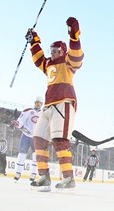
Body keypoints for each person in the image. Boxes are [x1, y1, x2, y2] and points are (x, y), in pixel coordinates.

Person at [25, 17, 84, 192]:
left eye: (56, 50)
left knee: (59, 140)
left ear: (63, 51)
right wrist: (33, 40)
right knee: (39, 139)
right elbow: (38, 59)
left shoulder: (67, 62)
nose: (53, 53)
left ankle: (68, 178)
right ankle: (43, 176)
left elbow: (77, 57)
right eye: (52, 50)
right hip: (49, 105)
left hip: (63, 103)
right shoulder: (49, 63)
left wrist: (74, 34)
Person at [11, 96, 43, 182]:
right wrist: (17, 124)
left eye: (40, 103)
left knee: (35, 156)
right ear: (34, 103)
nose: (38, 104)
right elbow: (21, 120)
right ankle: (18, 172)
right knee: (22, 154)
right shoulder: (28, 111)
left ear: (42, 104)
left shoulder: (43, 114)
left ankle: (33, 173)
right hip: (25, 135)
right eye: (37, 102)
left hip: (35, 137)